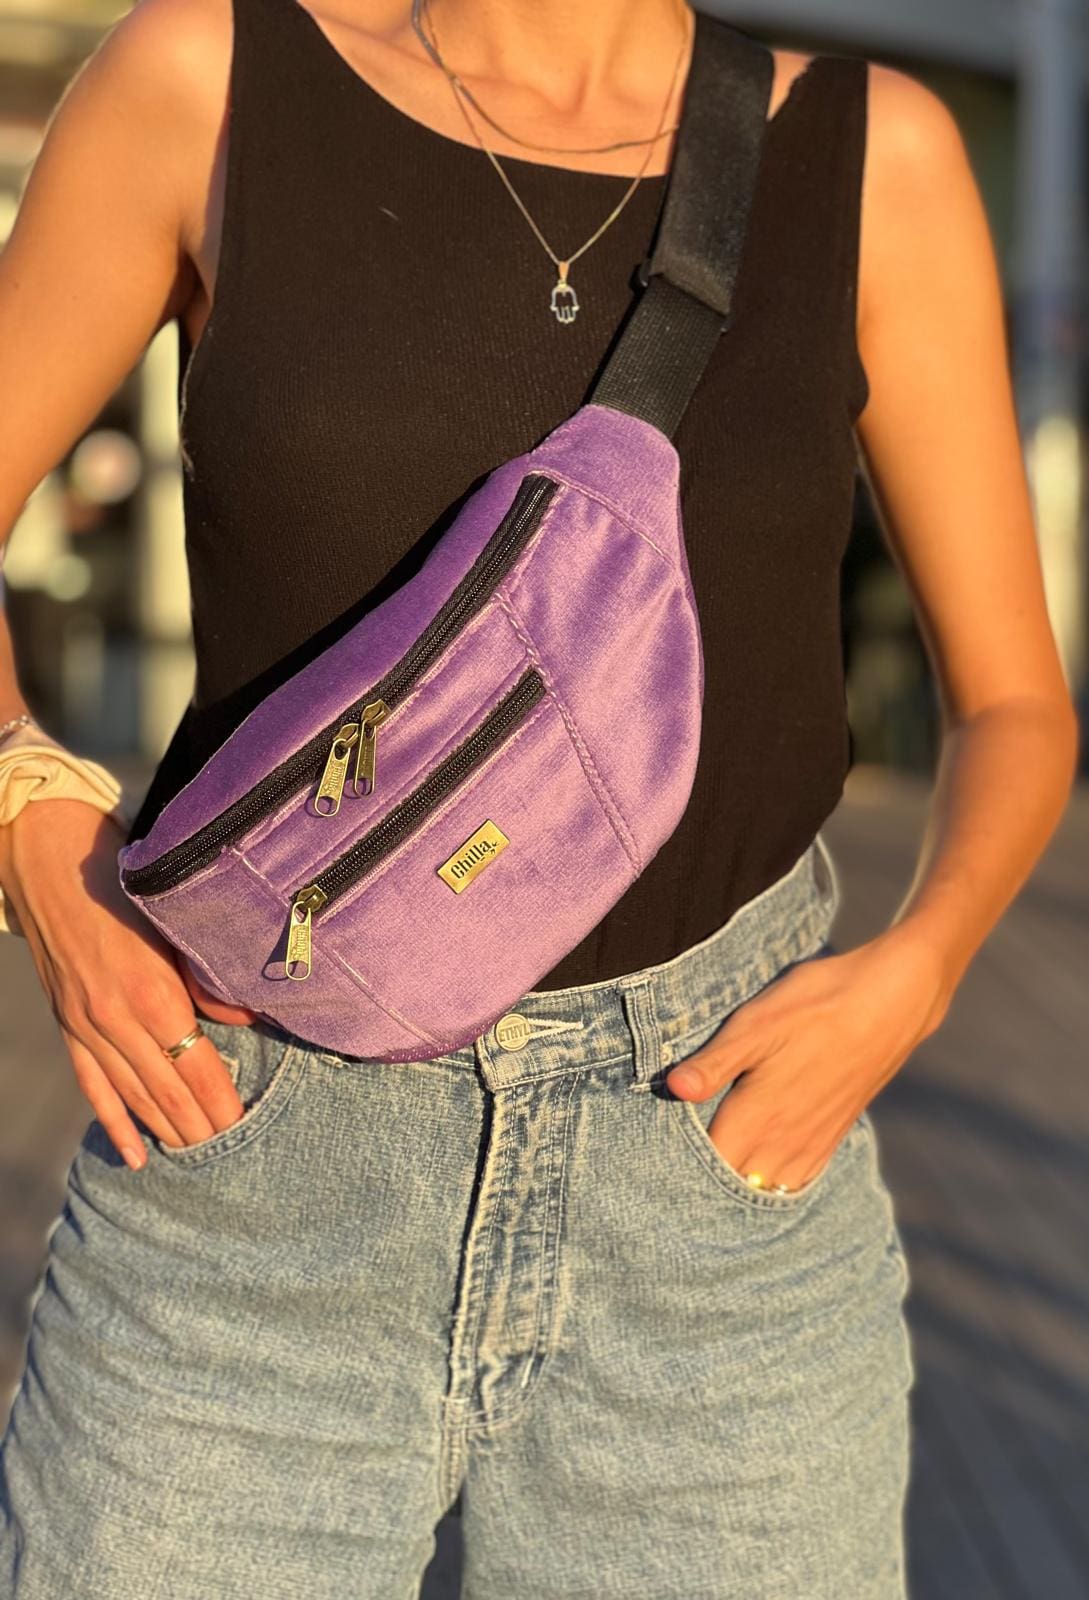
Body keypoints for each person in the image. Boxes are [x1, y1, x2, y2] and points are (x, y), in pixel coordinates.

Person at [0, 0, 1078, 1594]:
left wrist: (912, 977)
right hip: (253, 1163)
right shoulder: (207, 83)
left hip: (713, 1188)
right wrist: (35, 830)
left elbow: (1011, 705)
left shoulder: (872, 156)